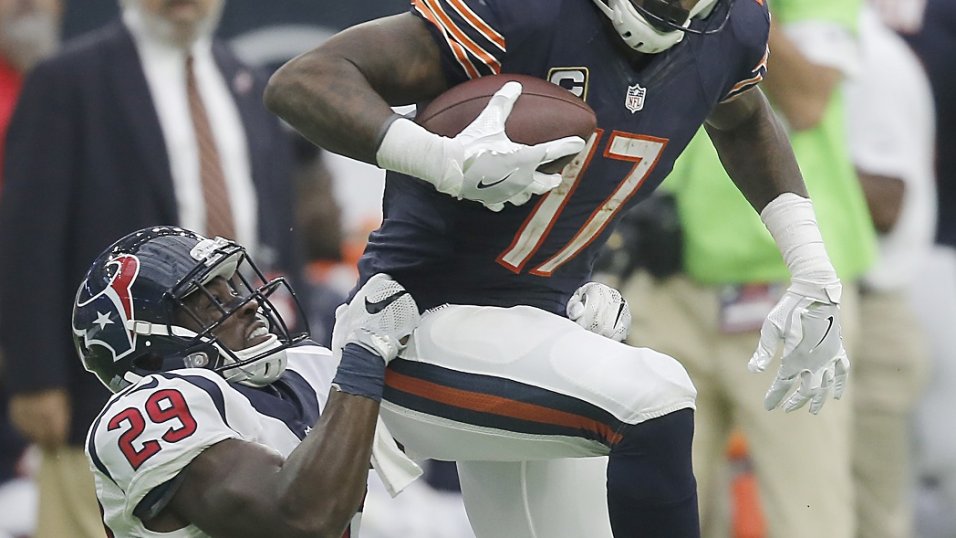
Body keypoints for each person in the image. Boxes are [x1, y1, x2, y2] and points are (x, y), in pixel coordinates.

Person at [264, 0, 852, 536]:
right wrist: (441, 159)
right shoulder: (526, 14)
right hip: (408, 329)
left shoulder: (729, 28)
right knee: (656, 393)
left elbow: (744, 117)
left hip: (535, 337)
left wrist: (811, 268)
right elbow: (302, 81)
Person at [0, 1, 298, 536]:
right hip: (111, 385)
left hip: (241, 369)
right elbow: (28, 238)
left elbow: (273, 219)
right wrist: (35, 377)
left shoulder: (248, 79)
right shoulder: (68, 79)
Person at [620, 0, 875, 535]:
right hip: (665, 279)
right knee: (653, 512)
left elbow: (807, 100)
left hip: (785, 291)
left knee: (807, 516)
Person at [74, 225, 420, 537]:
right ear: (151, 353)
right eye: (212, 304)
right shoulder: (148, 409)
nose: (247, 305)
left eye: (234, 292)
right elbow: (297, 520)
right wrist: (364, 356)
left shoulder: (311, 367)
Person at [845, 8, 936, 537]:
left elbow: (885, 203)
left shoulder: (870, 58)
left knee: (876, 519)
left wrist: (776, 166)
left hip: (875, 317)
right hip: (840, 311)